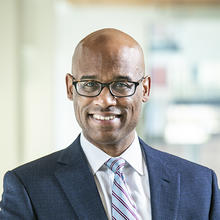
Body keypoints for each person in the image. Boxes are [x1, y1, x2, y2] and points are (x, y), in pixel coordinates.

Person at [0, 28, 220, 220]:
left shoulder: (200, 185)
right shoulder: (28, 187)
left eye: (122, 84)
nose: (105, 100)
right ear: (70, 88)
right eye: (89, 84)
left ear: (145, 89)